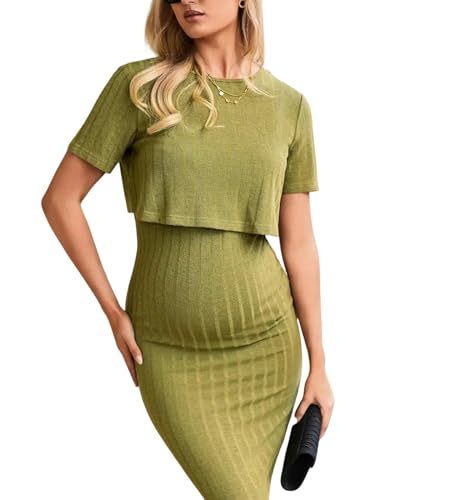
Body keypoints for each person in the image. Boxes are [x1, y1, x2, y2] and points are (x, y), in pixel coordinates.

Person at [42, 0, 334, 498]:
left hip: (266, 350)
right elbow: (60, 200)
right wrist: (112, 312)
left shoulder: (289, 107)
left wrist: (319, 364)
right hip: (168, 353)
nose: (186, 1)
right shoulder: (141, 88)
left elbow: (300, 243)